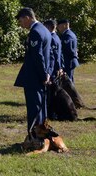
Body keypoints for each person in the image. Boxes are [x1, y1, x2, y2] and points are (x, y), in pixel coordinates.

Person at [14, 7, 52, 135]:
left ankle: (34, 136)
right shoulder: (44, 30)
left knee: (34, 109)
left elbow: (38, 56)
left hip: (34, 77)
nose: (21, 24)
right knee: (41, 107)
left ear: (27, 18)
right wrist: (47, 73)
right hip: (41, 75)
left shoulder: (35, 31)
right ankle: (41, 134)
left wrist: (43, 75)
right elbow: (49, 55)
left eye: (21, 21)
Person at [57, 19, 80, 83]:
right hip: (69, 61)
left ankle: (70, 93)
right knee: (69, 80)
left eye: (59, 26)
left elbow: (68, 49)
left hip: (68, 61)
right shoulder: (70, 34)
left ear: (64, 25)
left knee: (67, 81)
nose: (57, 28)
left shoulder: (67, 35)